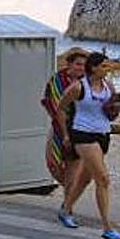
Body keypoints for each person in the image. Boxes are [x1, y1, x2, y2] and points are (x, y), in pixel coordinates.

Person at [55, 52, 120, 239]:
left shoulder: (108, 87)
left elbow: (112, 110)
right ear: (93, 67)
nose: (107, 69)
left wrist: (118, 107)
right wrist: (66, 134)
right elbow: (61, 107)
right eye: (103, 66)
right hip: (83, 134)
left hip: (103, 133)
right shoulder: (78, 87)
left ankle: (65, 209)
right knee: (102, 178)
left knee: (84, 179)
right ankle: (107, 227)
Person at [41, 49, 87, 190]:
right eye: (78, 64)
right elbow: (53, 104)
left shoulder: (86, 82)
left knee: (72, 165)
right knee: (53, 164)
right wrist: (63, 130)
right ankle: (71, 190)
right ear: (69, 64)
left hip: (80, 128)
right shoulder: (57, 80)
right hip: (58, 126)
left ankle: (68, 202)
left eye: (84, 65)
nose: (81, 68)